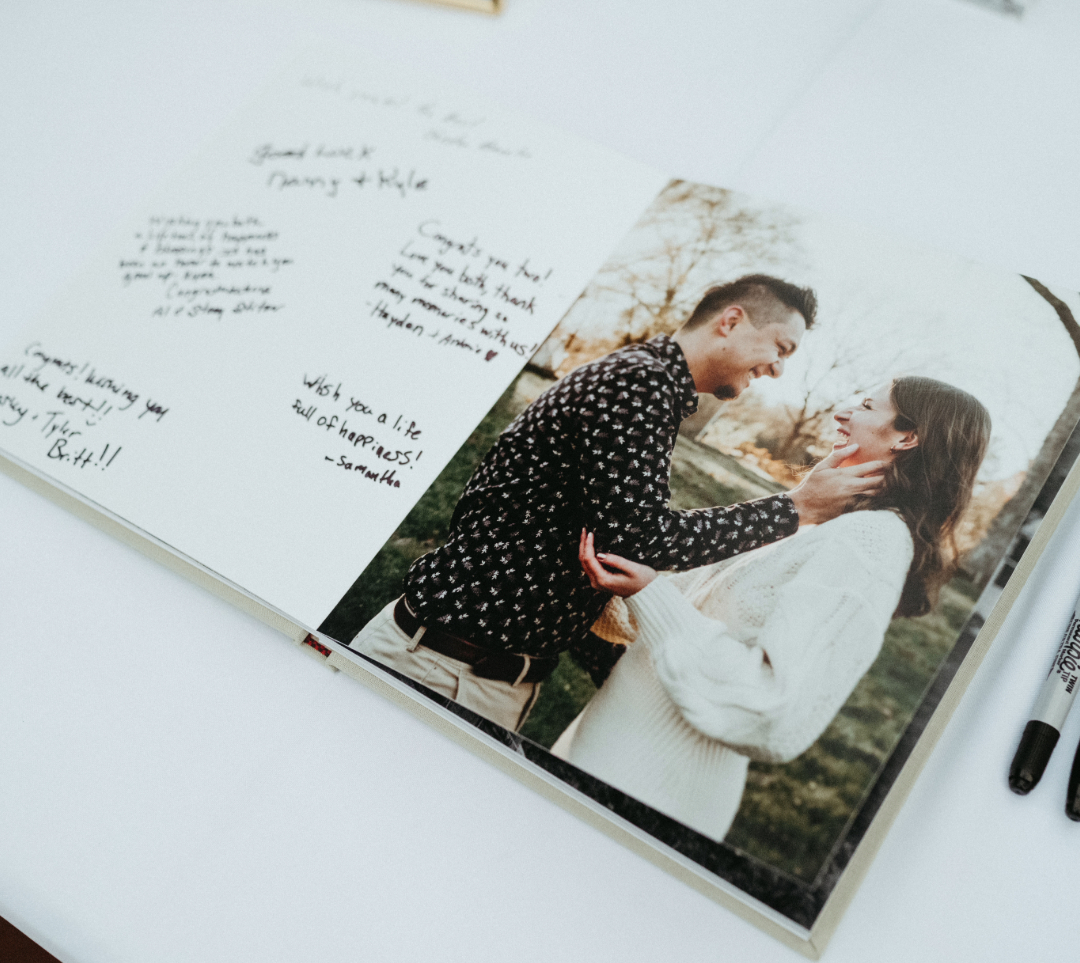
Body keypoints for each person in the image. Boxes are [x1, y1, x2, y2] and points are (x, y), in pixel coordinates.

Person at [349, 275, 886, 731]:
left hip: (478, 675)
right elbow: (642, 538)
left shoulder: (648, 385)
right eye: (780, 348)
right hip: (439, 670)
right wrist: (795, 508)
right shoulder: (640, 384)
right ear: (731, 321)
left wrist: (616, 667)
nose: (777, 369)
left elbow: (587, 548)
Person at [553, 377, 991, 842]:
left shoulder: (871, 543)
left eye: (864, 406)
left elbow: (772, 706)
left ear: (907, 437)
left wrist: (649, 595)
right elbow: (701, 606)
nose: (842, 413)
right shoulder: (834, 524)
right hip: (605, 746)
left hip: (649, 784)